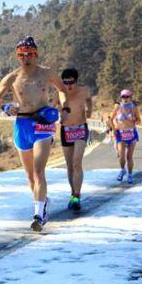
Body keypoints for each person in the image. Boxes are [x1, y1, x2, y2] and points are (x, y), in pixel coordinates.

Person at [0, 36, 61, 232]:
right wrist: (4, 106)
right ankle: (43, 202)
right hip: (22, 124)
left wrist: (61, 105)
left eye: (30, 54)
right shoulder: (12, 77)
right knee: (30, 176)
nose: (26, 57)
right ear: (18, 56)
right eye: (22, 54)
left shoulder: (47, 73)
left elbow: (62, 90)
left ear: (36, 55)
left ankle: (38, 214)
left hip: (42, 123)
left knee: (39, 171)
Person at [55, 68, 92, 211]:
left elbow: (89, 100)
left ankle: (77, 195)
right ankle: (73, 193)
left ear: (76, 81)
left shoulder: (84, 91)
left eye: (71, 82)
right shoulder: (59, 93)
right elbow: (53, 108)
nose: (68, 85)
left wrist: (89, 110)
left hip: (80, 128)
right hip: (66, 130)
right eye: (65, 82)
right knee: (69, 165)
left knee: (77, 162)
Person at [111, 89, 141, 184]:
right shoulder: (117, 107)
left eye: (127, 97)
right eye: (123, 97)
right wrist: (114, 129)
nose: (125, 99)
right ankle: (122, 169)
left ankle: (130, 174)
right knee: (121, 156)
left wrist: (135, 119)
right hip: (121, 133)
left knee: (129, 156)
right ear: (121, 97)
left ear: (130, 97)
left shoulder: (134, 107)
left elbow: (139, 120)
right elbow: (111, 119)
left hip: (131, 133)